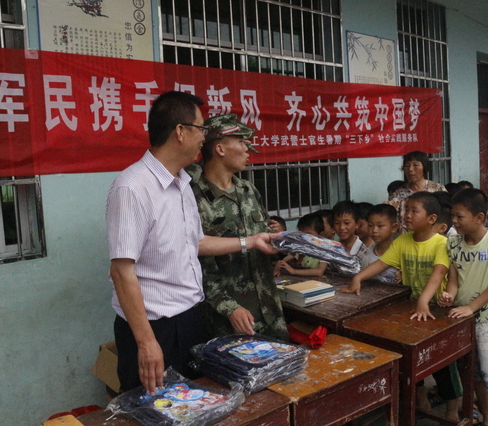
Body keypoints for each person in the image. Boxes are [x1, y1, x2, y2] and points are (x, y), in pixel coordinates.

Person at [106, 92, 277, 394]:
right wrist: (147, 343)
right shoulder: (132, 188)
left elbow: (195, 243)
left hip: (190, 318)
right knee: (156, 406)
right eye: (201, 129)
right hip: (156, 327)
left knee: (194, 405)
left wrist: (250, 241)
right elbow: (122, 271)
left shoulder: (182, 183)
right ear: (180, 132)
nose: (204, 137)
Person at [344, 192, 459, 421]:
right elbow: (381, 264)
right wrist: (359, 277)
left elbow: (438, 274)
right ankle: (422, 404)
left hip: (438, 312)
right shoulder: (403, 241)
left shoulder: (441, 243)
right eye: (406, 210)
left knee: (444, 367)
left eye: (414, 211)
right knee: (412, 362)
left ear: (431, 218)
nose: (407, 215)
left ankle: (452, 412)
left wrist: (424, 300)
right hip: (412, 311)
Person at [191, 113, 288, 341]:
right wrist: (229, 307)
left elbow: (263, 238)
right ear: (220, 149)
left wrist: (284, 243)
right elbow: (194, 262)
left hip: (269, 309)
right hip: (229, 317)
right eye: (242, 142)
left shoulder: (247, 190)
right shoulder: (193, 197)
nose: (247, 150)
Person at [439, 188, 488, 426]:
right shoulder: (453, 241)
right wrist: (449, 295)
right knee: (475, 374)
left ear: (479, 217)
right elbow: (454, 280)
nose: (454, 221)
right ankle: (487, 418)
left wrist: (472, 307)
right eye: (453, 215)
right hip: (461, 318)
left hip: (487, 320)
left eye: (460, 216)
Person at [389, 151, 446, 232]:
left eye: (416, 165)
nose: (410, 169)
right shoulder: (398, 194)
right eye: (407, 165)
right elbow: (392, 217)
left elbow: (446, 214)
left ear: (424, 167)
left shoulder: (438, 189)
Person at [274, 213, 329, 277]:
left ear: (321, 235)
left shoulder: (325, 249)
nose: (304, 238)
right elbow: (288, 258)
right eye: (302, 235)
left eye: (308, 235)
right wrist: (278, 265)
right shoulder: (302, 247)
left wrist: (294, 271)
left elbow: (319, 271)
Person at [361, 204, 400, 284]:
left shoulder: (400, 252)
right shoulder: (366, 252)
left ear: (393, 228)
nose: (374, 230)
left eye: (380, 226)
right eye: (370, 225)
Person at [331, 200, 369, 270]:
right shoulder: (333, 247)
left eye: (347, 223)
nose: (341, 227)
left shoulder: (363, 252)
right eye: (337, 223)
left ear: (357, 224)